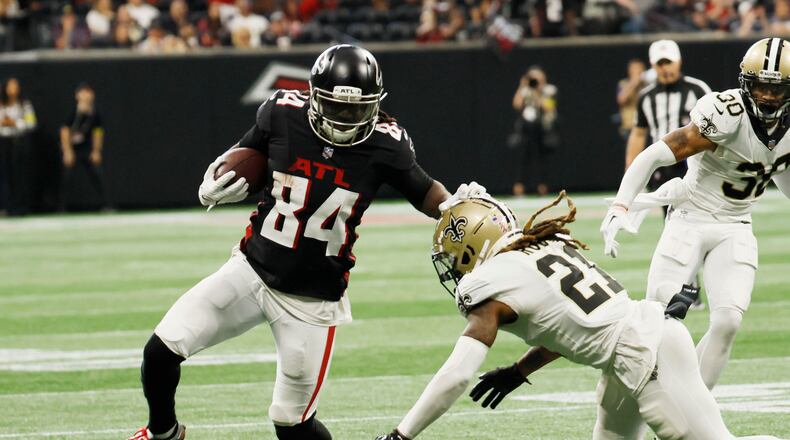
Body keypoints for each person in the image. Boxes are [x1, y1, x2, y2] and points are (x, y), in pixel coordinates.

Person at [127, 44, 486, 440]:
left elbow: (423, 190)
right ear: (314, 95)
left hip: (311, 302)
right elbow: (246, 152)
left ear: (375, 104)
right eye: (336, 106)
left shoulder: (387, 143)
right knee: (160, 352)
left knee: (290, 424)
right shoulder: (280, 112)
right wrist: (216, 175)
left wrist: (455, 207)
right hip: (251, 270)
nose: (346, 118)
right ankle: (163, 434)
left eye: (356, 108)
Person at [375, 193, 781, 440]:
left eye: (453, 257)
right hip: (636, 345)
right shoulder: (540, 248)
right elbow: (569, 323)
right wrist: (520, 370)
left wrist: (402, 433)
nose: (454, 268)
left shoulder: (490, 282)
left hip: (644, 356)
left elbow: (457, 374)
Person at [601, 37, 790, 391]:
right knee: (660, 314)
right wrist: (621, 204)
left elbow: (780, 169)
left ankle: (691, 409)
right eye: (760, 86)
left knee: (728, 321)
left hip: (736, 224)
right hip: (691, 216)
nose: (766, 96)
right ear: (746, 83)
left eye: (775, 88)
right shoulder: (728, 116)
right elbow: (656, 153)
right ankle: (639, 398)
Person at [625, 39, 710, 309]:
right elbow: (639, 133)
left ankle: (695, 281)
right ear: (653, 66)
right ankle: (688, 284)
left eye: (668, 62)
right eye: (660, 64)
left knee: (703, 221)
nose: (665, 69)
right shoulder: (647, 96)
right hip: (665, 167)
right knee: (674, 225)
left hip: (696, 164)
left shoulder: (698, 89)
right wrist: (632, 172)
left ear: (679, 62)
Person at [59, 83, 111, 212]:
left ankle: (107, 204)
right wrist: (67, 151)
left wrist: (96, 151)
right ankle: (61, 207)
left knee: (97, 173)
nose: (86, 95)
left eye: (88, 92)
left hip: (86, 149)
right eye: (83, 92)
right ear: (77, 95)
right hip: (71, 148)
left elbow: (98, 132)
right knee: (66, 175)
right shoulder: (72, 112)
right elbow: (64, 131)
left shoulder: (95, 113)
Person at [510, 65, 558, 196]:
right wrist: (522, 86)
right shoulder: (525, 91)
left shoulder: (549, 91)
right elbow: (516, 104)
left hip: (542, 128)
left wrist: (538, 93)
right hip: (527, 128)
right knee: (523, 157)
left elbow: (549, 108)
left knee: (542, 159)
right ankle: (519, 188)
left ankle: (542, 188)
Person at [0, 77, 36, 216]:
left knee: (18, 176)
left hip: (17, 142)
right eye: (10, 86)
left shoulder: (24, 105)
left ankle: (19, 207)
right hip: (2, 142)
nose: (13, 89)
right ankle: (5, 206)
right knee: (4, 176)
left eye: (15, 86)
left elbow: (31, 123)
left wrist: (15, 123)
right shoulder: (1, 104)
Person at [616, 58, 647, 141]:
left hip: (646, 127)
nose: (637, 72)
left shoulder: (648, 85)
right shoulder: (623, 84)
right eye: (634, 69)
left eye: (639, 69)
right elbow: (622, 100)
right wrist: (634, 83)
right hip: (629, 127)